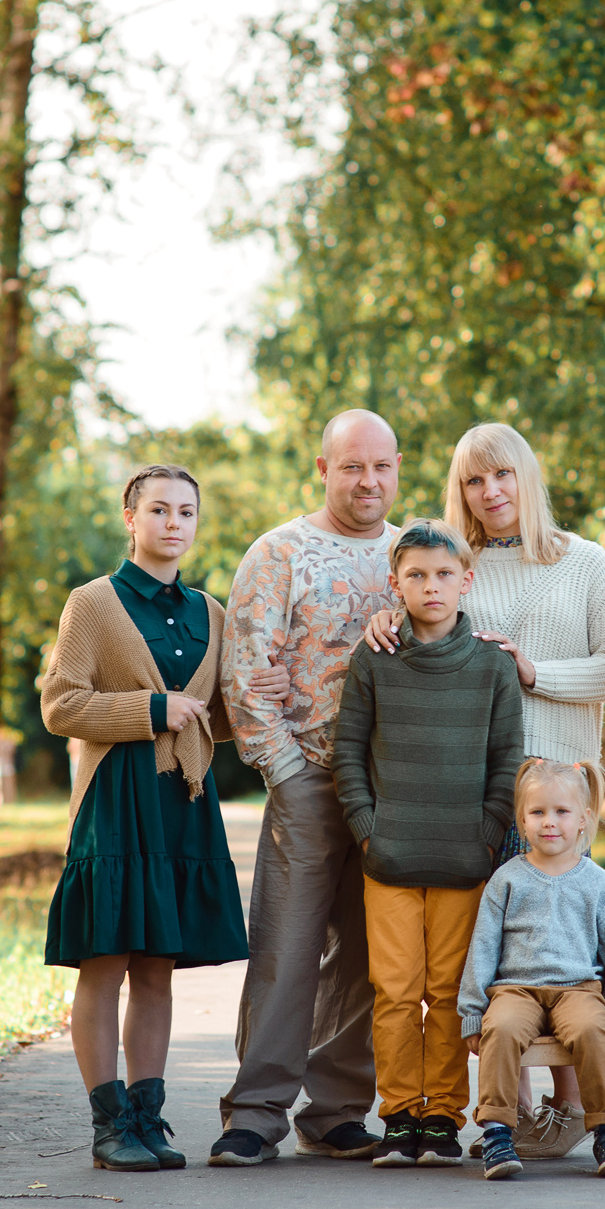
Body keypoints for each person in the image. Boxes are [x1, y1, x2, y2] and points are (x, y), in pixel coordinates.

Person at [362, 421, 605, 1159]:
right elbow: (430, 627)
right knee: (497, 954)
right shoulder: (455, 565)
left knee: (565, 948)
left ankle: (574, 1103)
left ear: (527, 478)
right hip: (484, 788)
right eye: (474, 481)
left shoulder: (584, 561)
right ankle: (504, 1113)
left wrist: (536, 671)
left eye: (502, 476)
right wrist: (385, 621)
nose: (490, 493)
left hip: (560, 784)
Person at [40, 464, 248, 1172]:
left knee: (158, 966)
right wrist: (152, 709)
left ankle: (148, 1118)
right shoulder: (92, 604)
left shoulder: (211, 612)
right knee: (105, 959)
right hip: (115, 798)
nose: (173, 523)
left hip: (180, 802)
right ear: (131, 518)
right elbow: (61, 706)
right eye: (158, 509)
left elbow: (211, 718)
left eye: (186, 511)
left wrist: (244, 707)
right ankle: (108, 1126)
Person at [210, 410, 401, 1167]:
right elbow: (245, 675)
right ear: (322, 469)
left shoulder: (410, 552)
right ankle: (256, 1110)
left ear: (397, 467)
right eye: (352, 466)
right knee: (287, 950)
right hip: (309, 775)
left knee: (364, 954)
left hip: (391, 789)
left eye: (381, 466)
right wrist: (285, 771)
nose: (368, 481)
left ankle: (337, 1108)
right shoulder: (278, 552)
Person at [333, 518, 525, 1167]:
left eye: (444, 574)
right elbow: (348, 753)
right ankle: (398, 1116)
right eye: (415, 574)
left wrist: (486, 833)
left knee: (448, 992)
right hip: (388, 857)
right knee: (394, 990)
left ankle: (442, 1116)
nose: (431, 585)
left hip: (463, 858)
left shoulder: (493, 665)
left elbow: (507, 762)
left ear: (466, 581)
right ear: (396, 584)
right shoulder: (376, 658)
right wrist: (367, 829)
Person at [460, 758, 605, 1180]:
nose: (549, 822)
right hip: (515, 990)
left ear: (584, 820)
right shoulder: (507, 880)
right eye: (537, 812)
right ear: (522, 822)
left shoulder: (597, 882)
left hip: (578, 989)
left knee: (591, 1030)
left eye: (561, 812)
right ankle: (498, 1132)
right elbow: (482, 950)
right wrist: (473, 1011)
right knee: (501, 1029)